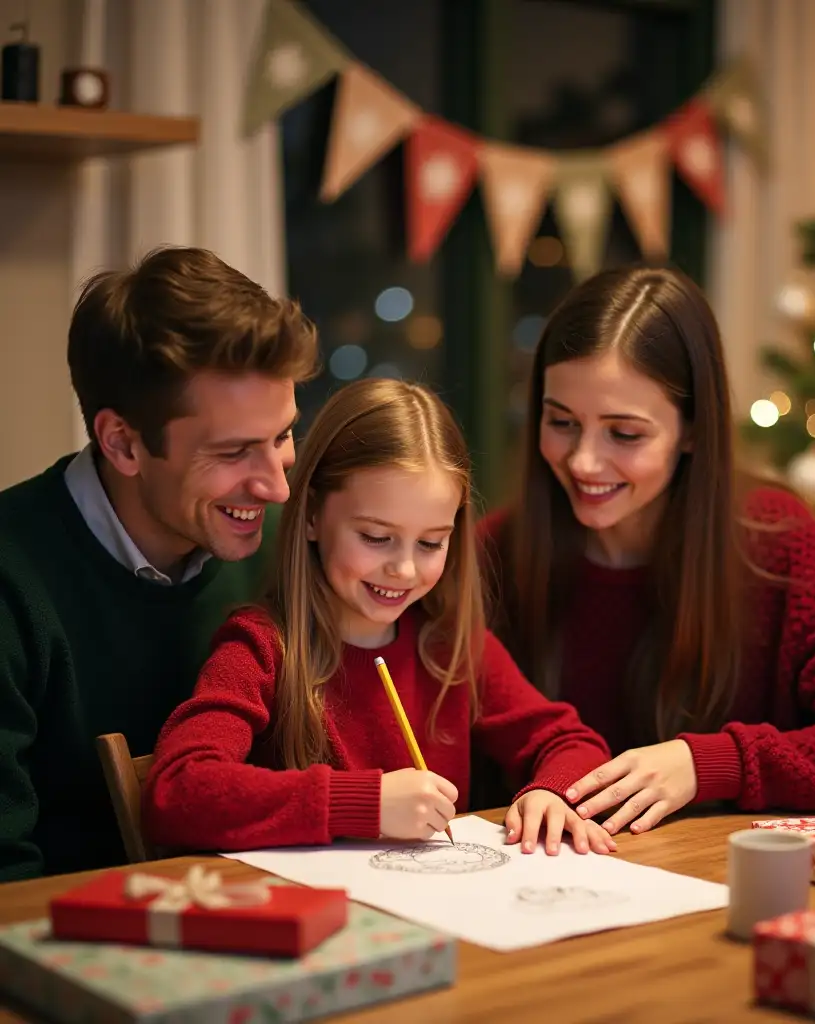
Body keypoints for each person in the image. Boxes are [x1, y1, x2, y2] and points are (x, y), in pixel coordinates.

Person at [478, 265, 815, 836]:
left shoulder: (776, 545)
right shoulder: (490, 554)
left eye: (625, 434)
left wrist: (711, 763)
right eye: (561, 422)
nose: (583, 462)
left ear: (692, 430)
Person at [143, 379, 616, 857]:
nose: (405, 568)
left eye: (431, 542)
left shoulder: (450, 648)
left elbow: (572, 743)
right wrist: (363, 804)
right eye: (375, 537)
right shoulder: (262, 648)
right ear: (310, 516)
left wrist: (551, 792)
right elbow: (176, 793)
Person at [0, 247, 319, 881]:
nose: (277, 487)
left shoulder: (292, 548)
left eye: (281, 437)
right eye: (233, 452)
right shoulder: (14, 581)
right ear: (123, 442)